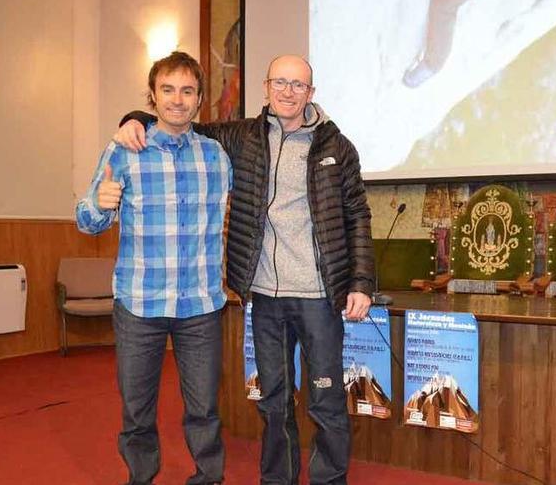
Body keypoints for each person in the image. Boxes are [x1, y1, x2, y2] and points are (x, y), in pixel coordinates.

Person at [115, 54, 375, 485]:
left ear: (311, 93)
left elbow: (357, 215)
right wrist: (136, 118)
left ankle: (330, 480)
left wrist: (362, 281)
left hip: (319, 295)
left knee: (326, 400)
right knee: (273, 401)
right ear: (266, 86)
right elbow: (182, 123)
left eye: (298, 85)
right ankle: (278, 479)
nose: (288, 91)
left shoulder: (337, 147)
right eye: (280, 82)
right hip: (265, 296)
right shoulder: (241, 138)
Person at [76, 51, 231, 485]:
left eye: (187, 91)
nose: (177, 100)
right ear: (152, 96)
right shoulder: (125, 149)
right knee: (136, 408)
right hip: (140, 302)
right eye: (167, 90)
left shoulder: (218, 156)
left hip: (200, 304)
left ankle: (208, 477)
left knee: (204, 408)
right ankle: (140, 477)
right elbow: (86, 222)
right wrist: (99, 205)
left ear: (200, 98)